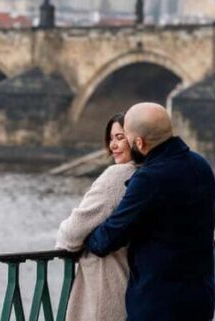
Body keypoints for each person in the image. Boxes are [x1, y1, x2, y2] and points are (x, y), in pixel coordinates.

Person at [85, 103, 215, 321]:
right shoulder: (201, 165)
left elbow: (109, 237)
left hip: (158, 304)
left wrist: (87, 239)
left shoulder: (149, 178)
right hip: (200, 299)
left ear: (139, 143)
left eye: (127, 138)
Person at [55, 113, 137, 321]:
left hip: (107, 289)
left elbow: (70, 234)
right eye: (111, 139)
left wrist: (81, 241)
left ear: (136, 139)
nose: (112, 145)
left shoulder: (116, 177)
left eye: (120, 137)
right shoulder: (152, 174)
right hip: (137, 291)